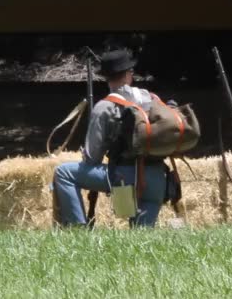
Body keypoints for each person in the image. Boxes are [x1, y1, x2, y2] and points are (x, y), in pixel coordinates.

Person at [52, 49, 167, 227]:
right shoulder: (152, 100)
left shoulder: (104, 107)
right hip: (158, 179)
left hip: (123, 177)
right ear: (129, 74)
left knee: (63, 172)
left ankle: (78, 229)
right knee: (142, 240)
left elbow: (92, 158)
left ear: (106, 77)